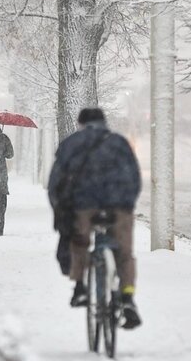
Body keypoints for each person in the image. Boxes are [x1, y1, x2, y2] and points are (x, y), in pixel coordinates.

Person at [48, 108, 142, 329]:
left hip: (84, 205)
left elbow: (56, 182)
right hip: (118, 206)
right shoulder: (119, 142)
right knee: (125, 253)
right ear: (103, 122)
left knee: (79, 242)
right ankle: (128, 298)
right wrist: (126, 204)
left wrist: (60, 210)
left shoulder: (71, 144)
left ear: (81, 123)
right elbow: (134, 177)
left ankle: (80, 287)